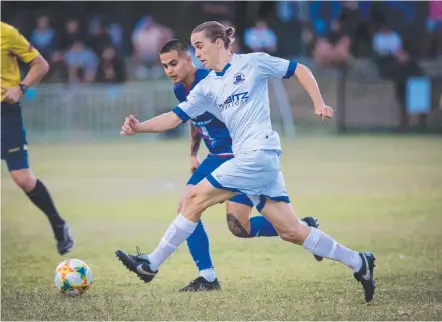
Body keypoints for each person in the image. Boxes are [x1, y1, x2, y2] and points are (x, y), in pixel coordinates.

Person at [116, 21, 376, 303]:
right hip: (255, 161)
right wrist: (139, 127)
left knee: (192, 198)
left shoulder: (253, 63)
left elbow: (299, 69)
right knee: (291, 231)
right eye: (194, 48)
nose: (197, 53)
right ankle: (359, 261)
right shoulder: (208, 87)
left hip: (258, 153)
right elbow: (175, 117)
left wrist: (318, 102)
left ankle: (151, 264)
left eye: (200, 46)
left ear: (218, 42)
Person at [157, 39, 323, 292]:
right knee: (211, 216)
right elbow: (194, 117)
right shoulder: (180, 89)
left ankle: (303, 229)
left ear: (188, 59)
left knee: (219, 218)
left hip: (237, 155)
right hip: (215, 157)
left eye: (173, 63)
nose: (169, 70)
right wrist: (193, 154)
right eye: (165, 66)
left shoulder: (211, 79)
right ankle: (208, 276)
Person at [1, 22, 74, 255]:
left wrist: (20, 88)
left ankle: (58, 224)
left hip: (5, 114)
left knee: (22, 178)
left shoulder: (6, 33)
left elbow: (40, 65)